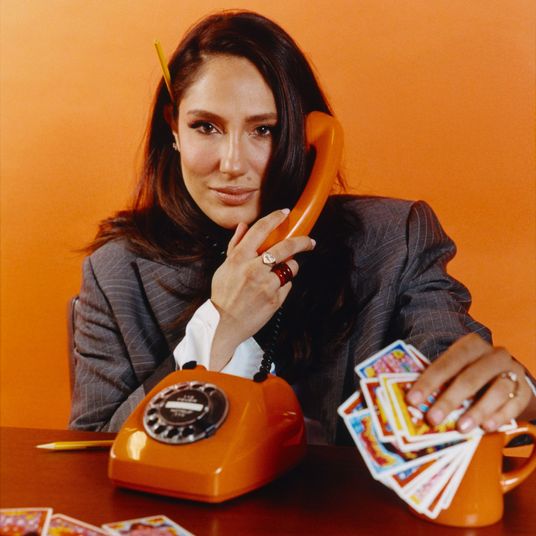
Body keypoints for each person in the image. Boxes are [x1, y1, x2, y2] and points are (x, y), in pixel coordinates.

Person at [69, 10, 534, 444]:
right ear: (173, 127)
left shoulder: (396, 239)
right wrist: (217, 329)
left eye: (264, 130)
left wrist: (517, 391)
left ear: (307, 138)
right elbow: (90, 455)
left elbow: (453, 370)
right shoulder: (115, 273)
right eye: (206, 127)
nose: (232, 164)